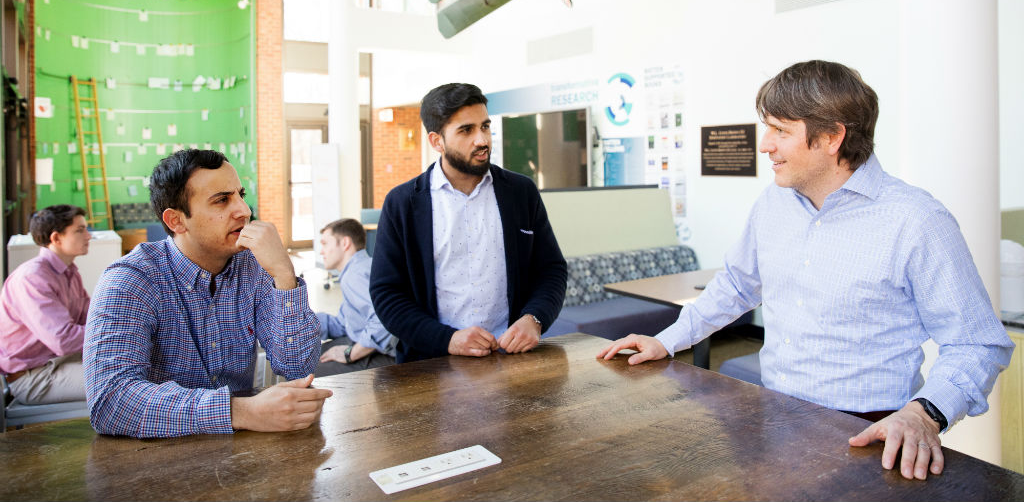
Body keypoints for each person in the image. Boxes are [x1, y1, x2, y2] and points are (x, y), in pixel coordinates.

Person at [597, 60, 1013, 481]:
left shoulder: (917, 221)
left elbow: (978, 343)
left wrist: (925, 414)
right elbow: (737, 287)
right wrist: (666, 341)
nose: (765, 144)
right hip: (774, 419)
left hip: (870, 437)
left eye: (781, 130)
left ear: (833, 137)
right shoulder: (772, 204)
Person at [84, 149, 331, 438]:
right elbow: (110, 402)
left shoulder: (254, 265)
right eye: (222, 200)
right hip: (157, 459)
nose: (244, 210)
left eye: (241, 195)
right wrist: (241, 411)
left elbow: (297, 366)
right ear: (176, 221)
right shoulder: (130, 281)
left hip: (243, 452)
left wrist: (284, 275)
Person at [370, 83, 568, 363]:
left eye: (485, 127)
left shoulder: (520, 192)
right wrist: (447, 339)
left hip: (512, 358)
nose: (482, 140)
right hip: (431, 365)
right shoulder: (402, 204)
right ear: (437, 141)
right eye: (466, 130)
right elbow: (386, 293)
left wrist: (534, 318)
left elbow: (551, 269)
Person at [0, 205, 91, 404]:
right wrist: (114, 331)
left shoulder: (69, 272)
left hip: (59, 362)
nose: (88, 236)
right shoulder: (32, 278)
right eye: (80, 230)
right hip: (33, 376)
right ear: (56, 238)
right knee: (121, 381)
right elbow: (63, 340)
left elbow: (90, 315)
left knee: (143, 364)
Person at [315, 218, 396, 375]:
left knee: (307, 370)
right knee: (312, 357)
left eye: (325, 244)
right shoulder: (361, 268)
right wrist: (304, 322)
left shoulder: (355, 276)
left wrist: (350, 354)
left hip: (388, 356)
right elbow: (345, 323)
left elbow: (384, 320)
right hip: (373, 345)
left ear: (345, 243)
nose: (321, 251)